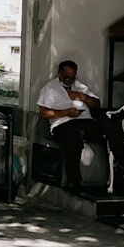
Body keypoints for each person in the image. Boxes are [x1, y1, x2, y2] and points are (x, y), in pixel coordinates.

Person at [36, 60, 103, 190]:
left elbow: (97, 105)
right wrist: (65, 113)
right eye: (66, 77)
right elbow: (44, 113)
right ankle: (74, 180)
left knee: (109, 127)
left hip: (84, 121)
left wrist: (84, 98)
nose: (69, 80)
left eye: (72, 77)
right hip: (62, 123)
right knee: (73, 140)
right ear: (60, 73)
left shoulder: (80, 87)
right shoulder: (50, 88)